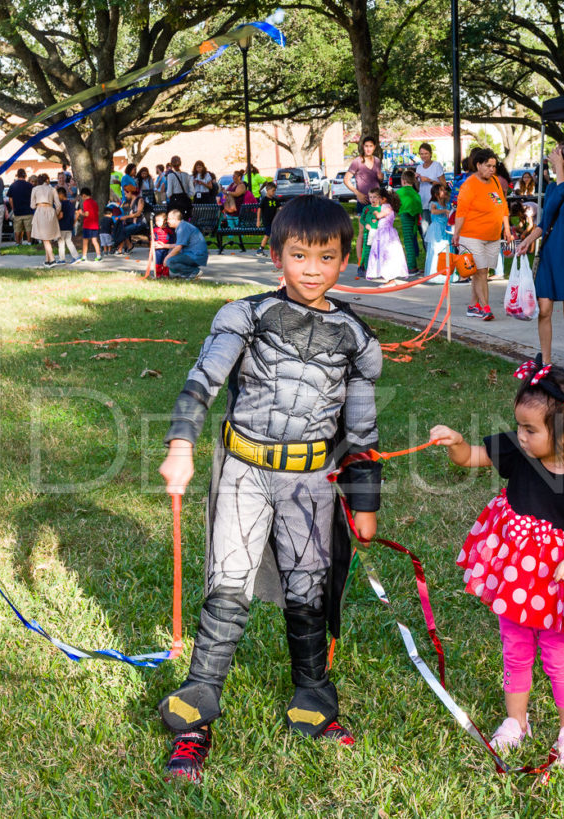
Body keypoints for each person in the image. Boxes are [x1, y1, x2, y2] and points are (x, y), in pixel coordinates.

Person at [156, 195, 381, 784]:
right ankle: (196, 712)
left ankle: (313, 699)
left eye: (325, 257)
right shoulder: (242, 315)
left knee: (310, 591)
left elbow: (361, 432)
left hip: (310, 482)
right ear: (276, 254)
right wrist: (181, 444)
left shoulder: (358, 339)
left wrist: (364, 501)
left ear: (344, 260)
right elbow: (203, 381)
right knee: (227, 585)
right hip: (245, 472)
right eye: (299, 255)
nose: (311, 268)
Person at [430, 362, 564, 769]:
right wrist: (456, 442)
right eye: (519, 426)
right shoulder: (520, 454)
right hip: (516, 580)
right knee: (515, 649)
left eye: (531, 429)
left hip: (558, 584)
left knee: (559, 655)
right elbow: (472, 458)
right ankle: (516, 721)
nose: (520, 436)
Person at [517, 142, 564, 370]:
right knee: (545, 310)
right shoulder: (550, 189)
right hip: (549, 253)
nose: (552, 154)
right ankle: (546, 363)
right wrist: (528, 240)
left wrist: (559, 168)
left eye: (558, 153)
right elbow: (544, 222)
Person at [453, 148, 512, 321]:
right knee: (479, 272)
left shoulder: (494, 181)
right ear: (478, 165)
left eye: (494, 166)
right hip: (472, 235)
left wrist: (507, 229)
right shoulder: (469, 185)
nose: (492, 169)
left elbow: (503, 207)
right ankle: (486, 308)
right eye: (488, 166)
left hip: (492, 235)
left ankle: (473, 305)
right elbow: (461, 212)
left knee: (482, 272)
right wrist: (457, 234)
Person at [365, 188, 408, 285]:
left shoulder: (387, 207)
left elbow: (380, 215)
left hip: (386, 235)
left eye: (379, 198)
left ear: (383, 199)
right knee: (383, 254)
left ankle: (390, 279)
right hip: (383, 233)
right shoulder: (386, 206)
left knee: (387, 255)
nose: (377, 200)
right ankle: (387, 277)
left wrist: (376, 213)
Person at [344, 135, 384, 219]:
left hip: (376, 201)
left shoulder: (377, 161)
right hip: (363, 201)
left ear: (374, 147)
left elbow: (379, 180)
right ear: (363, 146)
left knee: (377, 229)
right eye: (366, 146)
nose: (368, 149)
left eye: (370, 146)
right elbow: (346, 180)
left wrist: (381, 178)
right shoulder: (357, 162)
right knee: (363, 230)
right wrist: (358, 193)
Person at [162, 207, 208, 279]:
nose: (167, 221)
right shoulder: (183, 226)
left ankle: (194, 271)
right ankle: (188, 273)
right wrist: (163, 245)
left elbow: (178, 248)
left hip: (196, 255)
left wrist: (166, 258)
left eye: (168, 218)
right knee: (172, 263)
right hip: (194, 254)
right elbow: (179, 244)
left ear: (175, 219)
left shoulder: (182, 228)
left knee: (170, 261)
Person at [29, 173, 61, 266]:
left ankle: (52, 259)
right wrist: (56, 213)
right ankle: (47, 261)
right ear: (47, 180)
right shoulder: (53, 189)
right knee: (48, 237)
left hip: (40, 210)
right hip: (51, 210)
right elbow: (58, 205)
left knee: (45, 238)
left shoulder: (35, 189)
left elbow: (32, 205)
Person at [396, 169, 423, 271]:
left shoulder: (400, 192)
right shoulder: (415, 194)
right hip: (414, 219)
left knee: (408, 242)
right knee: (412, 240)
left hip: (405, 217)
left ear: (403, 181)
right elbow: (418, 208)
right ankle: (413, 265)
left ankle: (411, 266)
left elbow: (394, 204)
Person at [423, 183, 451, 280]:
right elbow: (433, 211)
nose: (445, 191)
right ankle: (435, 274)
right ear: (436, 194)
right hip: (436, 229)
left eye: (444, 189)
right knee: (436, 249)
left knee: (446, 249)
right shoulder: (433, 204)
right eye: (442, 190)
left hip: (446, 229)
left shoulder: (447, 204)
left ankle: (447, 273)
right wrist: (444, 211)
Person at [414, 142, 446, 226]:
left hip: (435, 203)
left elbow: (444, 185)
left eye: (426, 153)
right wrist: (415, 180)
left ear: (431, 154)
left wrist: (429, 180)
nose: (424, 156)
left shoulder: (436, 165)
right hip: (423, 202)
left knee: (436, 227)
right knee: (425, 230)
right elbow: (417, 187)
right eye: (421, 154)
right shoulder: (419, 167)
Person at [113, 185, 148, 252]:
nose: (125, 195)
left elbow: (138, 213)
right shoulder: (128, 201)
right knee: (120, 228)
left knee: (124, 230)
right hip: (131, 222)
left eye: (126, 193)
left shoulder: (140, 200)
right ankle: (127, 246)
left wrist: (126, 217)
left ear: (130, 192)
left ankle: (122, 248)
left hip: (139, 223)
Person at [356, 187, 382, 276]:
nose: (372, 199)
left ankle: (378, 269)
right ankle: (367, 269)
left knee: (378, 251)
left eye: (374, 197)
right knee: (367, 251)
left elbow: (384, 221)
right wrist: (366, 224)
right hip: (368, 234)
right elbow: (362, 219)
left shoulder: (381, 209)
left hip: (378, 234)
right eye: (370, 197)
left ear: (379, 198)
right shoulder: (366, 208)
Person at [8, 169, 35, 245]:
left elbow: (10, 199)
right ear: (25, 175)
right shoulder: (30, 185)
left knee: (17, 229)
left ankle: (17, 243)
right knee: (28, 228)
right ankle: (29, 242)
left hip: (17, 211)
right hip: (28, 211)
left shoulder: (13, 185)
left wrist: (13, 208)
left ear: (17, 175)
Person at [75, 188, 101, 262]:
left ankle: (84, 256)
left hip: (88, 225)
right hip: (95, 225)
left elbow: (87, 214)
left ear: (84, 195)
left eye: (82, 197)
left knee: (85, 241)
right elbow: (97, 213)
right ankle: (99, 256)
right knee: (94, 241)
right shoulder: (95, 203)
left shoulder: (86, 202)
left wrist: (80, 213)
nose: (82, 199)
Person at [55, 187, 79, 264]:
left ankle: (62, 259)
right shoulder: (70, 203)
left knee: (61, 243)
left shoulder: (61, 204)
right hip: (69, 226)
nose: (57, 197)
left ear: (61, 194)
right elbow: (77, 213)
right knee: (69, 241)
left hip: (62, 226)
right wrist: (74, 223)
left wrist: (55, 220)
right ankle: (76, 257)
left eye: (57, 195)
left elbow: (61, 216)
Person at [256, 180, 279, 256]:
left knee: (272, 235)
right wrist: (258, 221)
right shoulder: (264, 200)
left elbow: (279, 208)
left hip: (274, 221)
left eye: (275, 191)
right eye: (273, 191)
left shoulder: (275, 200)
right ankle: (260, 249)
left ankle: (274, 249)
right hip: (267, 221)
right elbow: (259, 209)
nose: (274, 193)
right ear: (267, 190)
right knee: (267, 235)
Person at [147, 211, 173, 278]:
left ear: (164, 221)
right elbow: (152, 239)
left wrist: (170, 244)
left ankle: (165, 274)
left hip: (166, 249)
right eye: (156, 221)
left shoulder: (168, 230)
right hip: (157, 249)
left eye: (158, 221)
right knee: (158, 262)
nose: (156, 222)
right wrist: (152, 240)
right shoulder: (154, 230)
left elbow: (172, 239)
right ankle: (158, 274)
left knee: (165, 261)